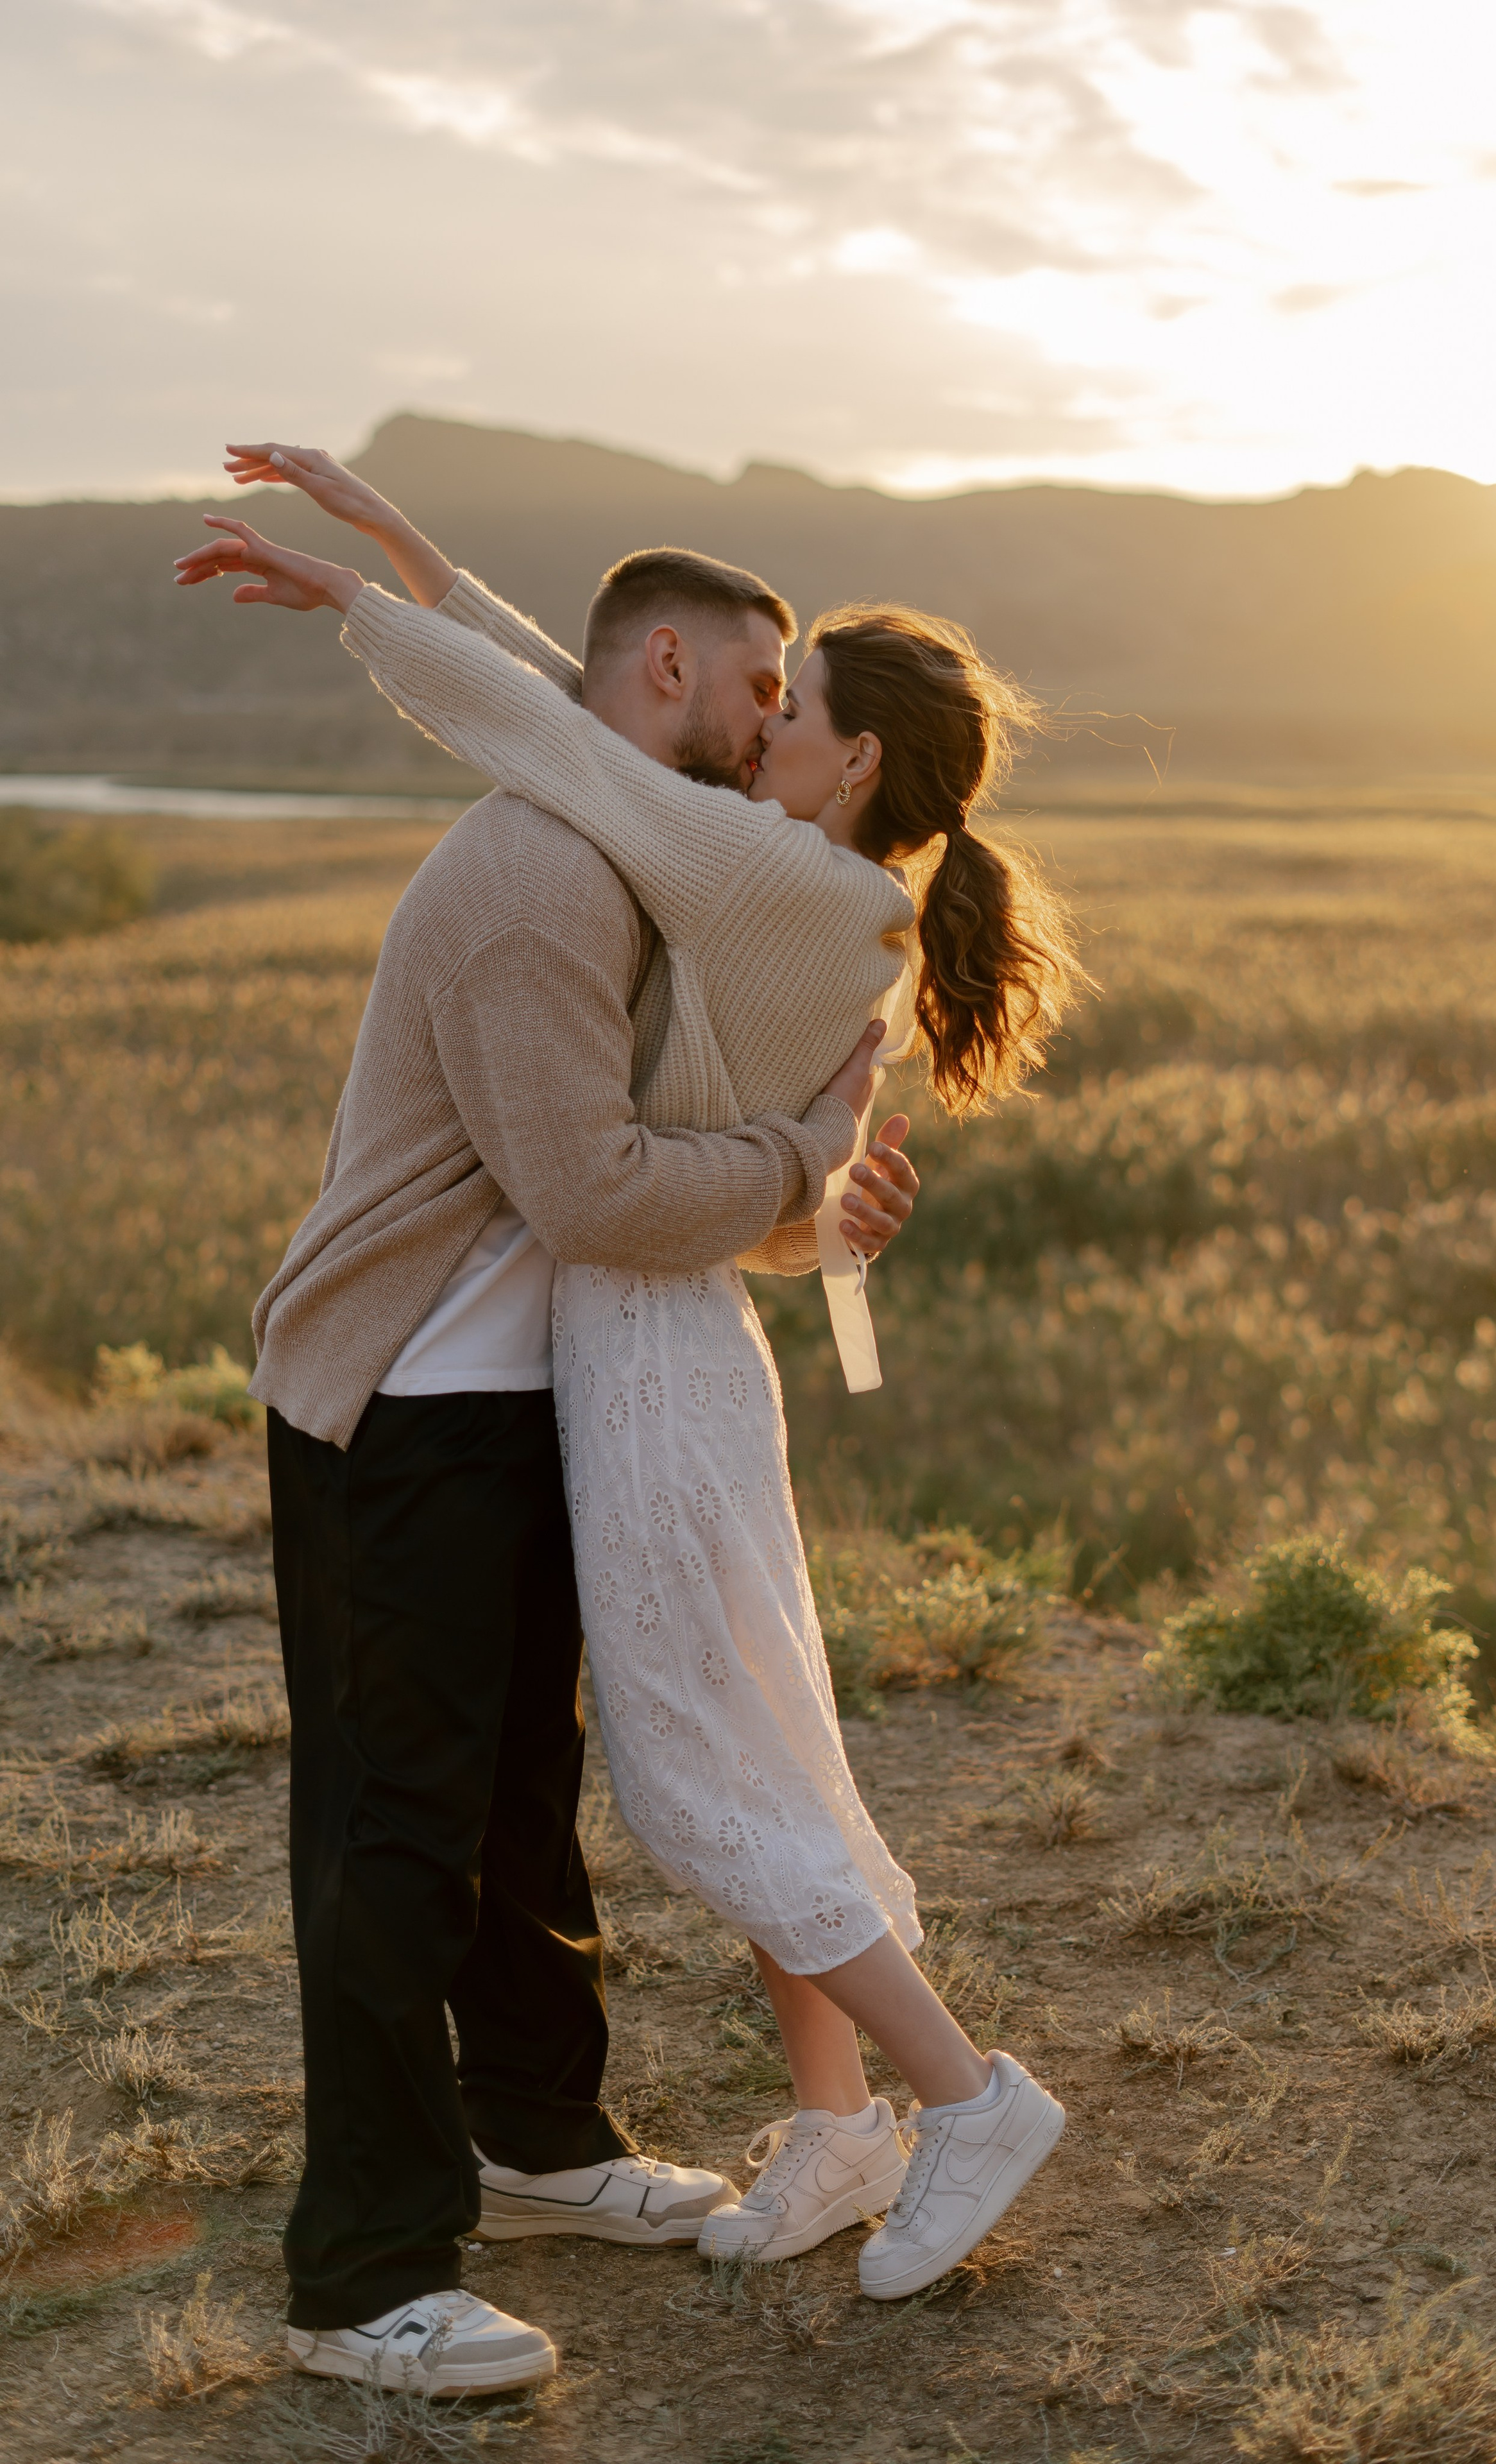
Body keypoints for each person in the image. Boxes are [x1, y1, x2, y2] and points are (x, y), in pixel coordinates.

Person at [176, 442, 1084, 2320]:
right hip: (452, 1392)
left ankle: (647, 2135)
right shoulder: (598, 866)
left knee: (602, 1784)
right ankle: (426, 2243)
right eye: (753, 690)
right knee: (479, 1809)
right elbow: (570, 724)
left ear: (845, 762)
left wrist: (373, 590)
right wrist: (396, 564)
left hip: (589, 1386)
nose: (763, 730)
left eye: (790, 706)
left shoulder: (722, 870)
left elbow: (579, 723)